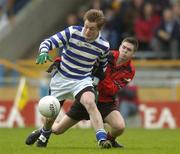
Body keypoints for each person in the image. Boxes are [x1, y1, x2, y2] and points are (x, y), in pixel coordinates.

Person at [25, 9, 112, 148]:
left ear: (99, 29)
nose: (87, 31)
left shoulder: (103, 46)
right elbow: (49, 41)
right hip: (62, 78)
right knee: (51, 116)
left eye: (92, 29)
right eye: (86, 26)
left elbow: (102, 67)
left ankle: (102, 139)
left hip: (82, 80)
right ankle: (44, 134)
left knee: (90, 103)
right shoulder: (72, 32)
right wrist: (43, 51)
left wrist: (94, 83)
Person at [50, 37, 138, 148]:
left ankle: (109, 141)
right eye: (124, 47)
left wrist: (101, 76)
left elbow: (112, 89)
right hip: (87, 98)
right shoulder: (106, 55)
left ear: (133, 54)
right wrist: (60, 61)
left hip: (105, 102)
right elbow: (83, 59)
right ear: (120, 46)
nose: (125, 50)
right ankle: (44, 129)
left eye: (129, 50)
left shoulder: (130, 70)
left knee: (119, 127)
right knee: (58, 130)